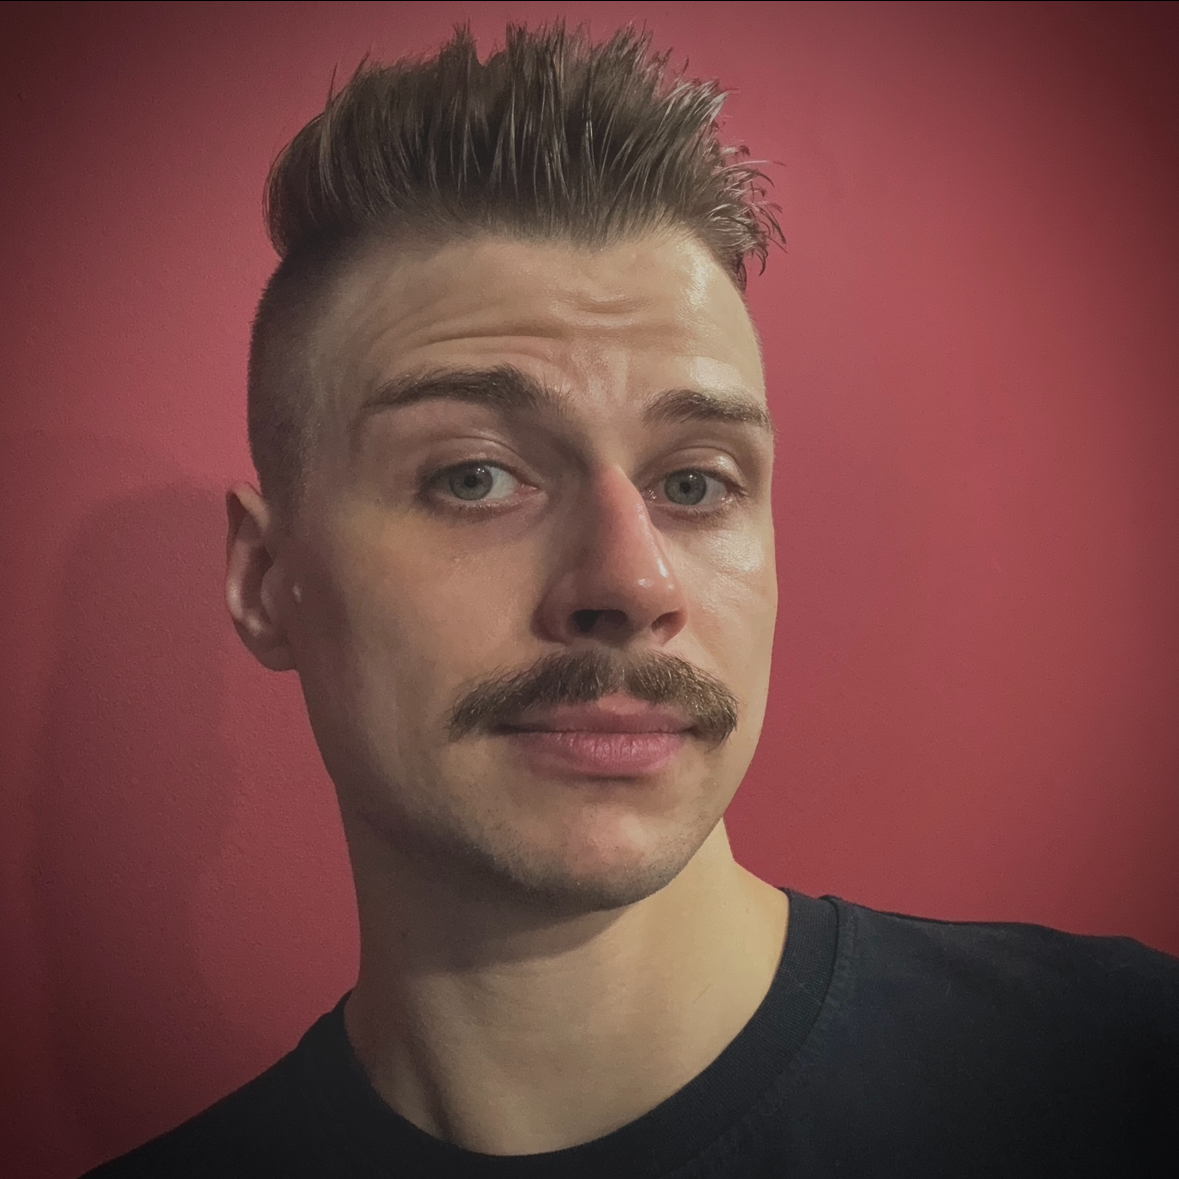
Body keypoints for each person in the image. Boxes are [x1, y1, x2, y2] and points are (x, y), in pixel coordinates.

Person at [84, 22, 1177, 1178]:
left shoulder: (1121, 1079)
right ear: (266, 585)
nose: (632, 582)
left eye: (695, 483)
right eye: (474, 477)